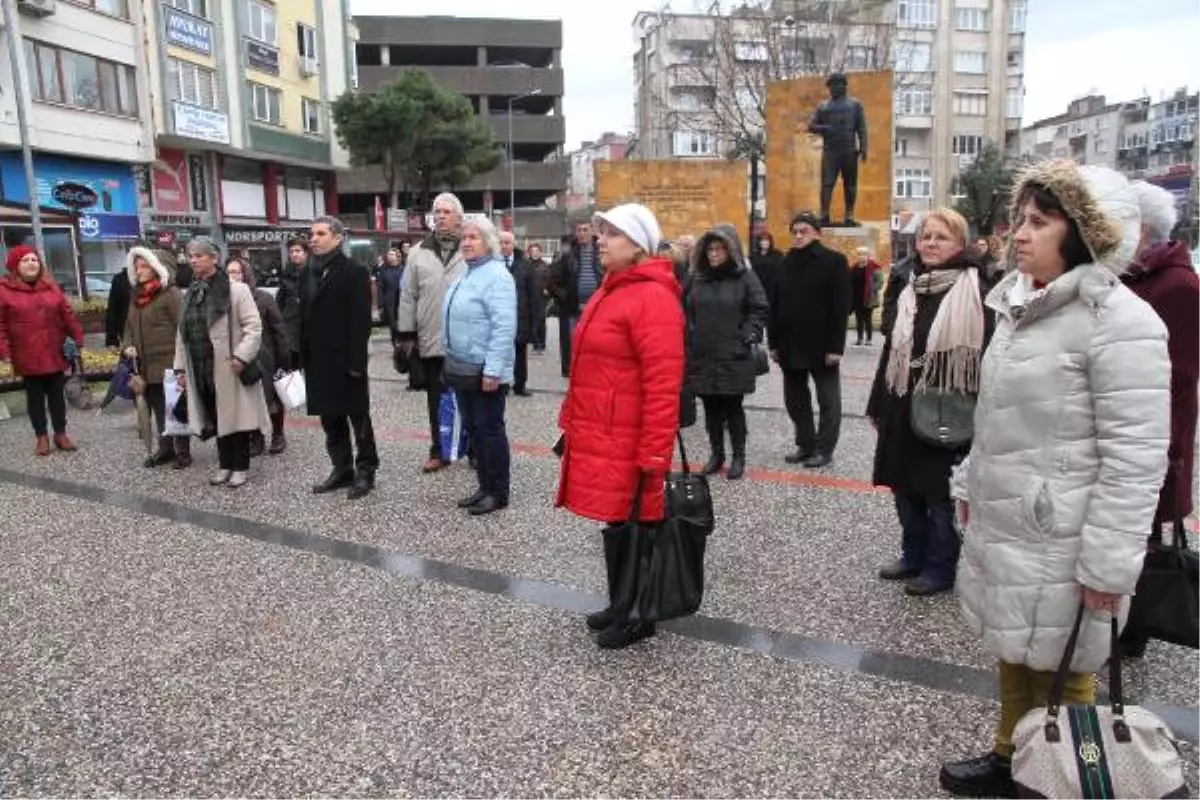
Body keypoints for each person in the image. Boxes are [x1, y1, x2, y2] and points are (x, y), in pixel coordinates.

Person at [938, 162, 1170, 797]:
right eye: (1020, 219)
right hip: (1011, 519)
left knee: (1069, 671)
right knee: (1012, 643)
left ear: (1085, 234)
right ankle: (1013, 757)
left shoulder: (1121, 323)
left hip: (1067, 534)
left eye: (1039, 222)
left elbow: (1136, 459)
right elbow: (999, 422)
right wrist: (972, 488)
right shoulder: (1021, 308)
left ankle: (1074, 777)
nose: (1020, 234)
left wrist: (1107, 567)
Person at [555, 203, 685, 650]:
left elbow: (663, 383)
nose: (600, 240)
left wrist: (654, 451)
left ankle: (638, 614)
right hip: (609, 430)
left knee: (638, 523)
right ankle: (620, 602)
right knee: (620, 521)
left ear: (638, 245)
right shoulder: (614, 288)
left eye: (611, 233)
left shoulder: (651, 296)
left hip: (631, 436)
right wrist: (570, 419)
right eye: (601, 232)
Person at [867, 209, 989, 597]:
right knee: (904, 487)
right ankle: (913, 554)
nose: (931, 244)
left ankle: (940, 567)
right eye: (926, 237)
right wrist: (878, 405)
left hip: (948, 407)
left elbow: (985, 355)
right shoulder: (911, 285)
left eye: (942, 237)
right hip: (902, 403)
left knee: (939, 494)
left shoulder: (978, 289)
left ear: (960, 243)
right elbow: (893, 351)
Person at [1119, 181, 1200, 659]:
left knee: (1141, 535)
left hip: (1155, 437)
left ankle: (1135, 628)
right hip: (1129, 428)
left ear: (1141, 228)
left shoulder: (1178, 286)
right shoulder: (1134, 275)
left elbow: (1181, 375)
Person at [173, 237, 270, 489]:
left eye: (198, 255)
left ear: (213, 258)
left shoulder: (236, 289)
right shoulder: (191, 293)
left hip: (228, 364)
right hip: (200, 364)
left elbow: (254, 326)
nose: (193, 260)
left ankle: (239, 467)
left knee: (234, 417)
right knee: (216, 415)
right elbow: (181, 333)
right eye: (190, 255)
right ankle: (225, 464)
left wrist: (241, 356)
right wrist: (180, 367)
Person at [299, 216, 378, 499]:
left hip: (346, 361)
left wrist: (357, 364)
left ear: (338, 238)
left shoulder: (354, 271)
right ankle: (342, 468)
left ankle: (366, 470)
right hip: (318, 360)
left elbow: (361, 322)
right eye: (312, 234)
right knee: (330, 420)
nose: (314, 239)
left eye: (320, 233)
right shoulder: (308, 271)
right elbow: (303, 317)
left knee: (359, 419)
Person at [685, 224, 769, 481]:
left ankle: (738, 456)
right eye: (709, 249)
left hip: (734, 353)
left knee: (733, 408)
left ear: (730, 250)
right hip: (704, 353)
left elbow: (759, 307)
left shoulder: (744, 277)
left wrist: (749, 333)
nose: (713, 254)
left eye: (719, 249)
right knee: (710, 408)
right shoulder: (696, 277)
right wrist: (690, 335)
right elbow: (684, 308)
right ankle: (716, 454)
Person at [445, 217, 517, 516]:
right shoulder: (468, 272)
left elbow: (503, 327)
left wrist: (493, 370)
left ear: (488, 242)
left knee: (489, 430)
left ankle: (498, 491)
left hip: (484, 370)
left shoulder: (497, 276)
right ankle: (484, 486)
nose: (466, 242)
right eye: (464, 238)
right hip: (463, 367)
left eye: (473, 237)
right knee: (474, 430)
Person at [767, 212, 851, 469]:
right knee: (795, 399)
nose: (798, 235)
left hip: (822, 345)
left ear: (817, 233)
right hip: (789, 344)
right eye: (795, 231)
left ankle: (824, 449)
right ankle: (806, 444)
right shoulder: (783, 263)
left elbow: (841, 306)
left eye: (804, 230)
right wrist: (773, 342)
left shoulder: (834, 261)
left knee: (828, 400)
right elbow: (774, 304)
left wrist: (836, 346)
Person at [397, 193, 468, 473]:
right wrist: (406, 334)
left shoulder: (473, 246)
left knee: (470, 397)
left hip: (466, 340)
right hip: (432, 338)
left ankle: (472, 448)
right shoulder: (417, 252)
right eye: (437, 211)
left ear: (459, 217)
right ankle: (439, 449)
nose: (440, 216)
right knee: (436, 399)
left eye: (447, 212)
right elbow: (407, 294)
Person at [0, 245, 84, 455]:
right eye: (26, 260)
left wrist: (78, 337)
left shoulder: (51, 287)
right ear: (15, 266)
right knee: (35, 398)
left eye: (34, 260)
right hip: (26, 354)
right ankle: (41, 437)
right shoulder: (4, 290)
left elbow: (66, 314)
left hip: (53, 350)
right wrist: (5, 352)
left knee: (57, 396)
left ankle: (60, 434)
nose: (31, 263)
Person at [121, 247, 187, 468]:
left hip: (169, 360)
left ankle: (182, 451)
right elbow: (129, 326)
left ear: (157, 268)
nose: (139, 271)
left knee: (175, 406)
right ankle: (165, 447)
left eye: (144, 266)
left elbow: (182, 327)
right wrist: (128, 344)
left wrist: (183, 362)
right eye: (137, 267)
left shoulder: (171, 294)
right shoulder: (136, 297)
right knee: (158, 406)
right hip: (146, 364)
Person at [226, 258, 291, 456]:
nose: (232, 277)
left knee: (272, 398)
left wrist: (284, 359)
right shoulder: (224, 301)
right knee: (248, 399)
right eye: (228, 272)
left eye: (236, 272)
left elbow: (279, 329)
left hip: (265, 357)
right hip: (240, 358)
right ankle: (256, 437)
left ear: (245, 274)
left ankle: (278, 434)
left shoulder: (263, 298)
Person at [548, 221, 601, 378]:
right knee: (571, 340)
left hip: (596, 305)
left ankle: (591, 368)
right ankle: (570, 369)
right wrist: (564, 297)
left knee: (595, 340)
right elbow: (551, 280)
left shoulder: (602, 252)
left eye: (586, 230)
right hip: (572, 306)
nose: (582, 233)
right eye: (579, 230)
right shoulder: (567, 254)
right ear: (575, 233)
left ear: (593, 231)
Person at [498, 231, 542, 397]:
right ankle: (501, 383)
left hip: (520, 317)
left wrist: (536, 320)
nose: (504, 246)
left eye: (507, 243)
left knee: (519, 353)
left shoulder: (525, 265)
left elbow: (534, 294)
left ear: (513, 244)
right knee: (500, 350)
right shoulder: (491, 263)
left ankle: (520, 384)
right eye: (501, 242)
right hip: (498, 317)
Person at [849, 246, 884, 346]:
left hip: (869, 298)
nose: (861, 256)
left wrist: (870, 290)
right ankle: (859, 339)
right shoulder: (854, 267)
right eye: (859, 254)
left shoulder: (874, 267)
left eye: (864, 254)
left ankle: (869, 339)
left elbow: (880, 282)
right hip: (856, 298)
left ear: (868, 256)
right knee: (858, 319)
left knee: (868, 319)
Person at [377, 245, 405, 343]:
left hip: (402, 301)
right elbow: (380, 288)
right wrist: (380, 304)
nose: (389, 256)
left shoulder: (403, 269)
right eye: (389, 254)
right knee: (393, 326)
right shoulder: (383, 270)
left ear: (397, 256)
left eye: (392, 254)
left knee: (402, 324)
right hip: (389, 302)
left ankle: (401, 344)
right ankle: (395, 343)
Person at [525, 242, 549, 354]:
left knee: (540, 321)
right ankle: (535, 344)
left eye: (536, 251)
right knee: (531, 321)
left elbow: (549, 281)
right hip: (529, 297)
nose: (534, 253)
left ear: (540, 252)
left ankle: (542, 344)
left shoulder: (545, 266)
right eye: (532, 251)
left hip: (541, 297)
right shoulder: (526, 265)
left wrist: (547, 288)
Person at [750, 231, 783, 305]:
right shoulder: (753, 255)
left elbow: (781, 270)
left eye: (767, 240)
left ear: (770, 242)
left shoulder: (777, 254)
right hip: (758, 286)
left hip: (773, 287)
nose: (765, 242)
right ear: (759, 242)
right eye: (763, 240)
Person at [104, 267, 131, 350]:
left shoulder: (158, 279)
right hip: (128, 335)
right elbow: (112, 310)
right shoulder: (120, 280)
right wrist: (111, 340)